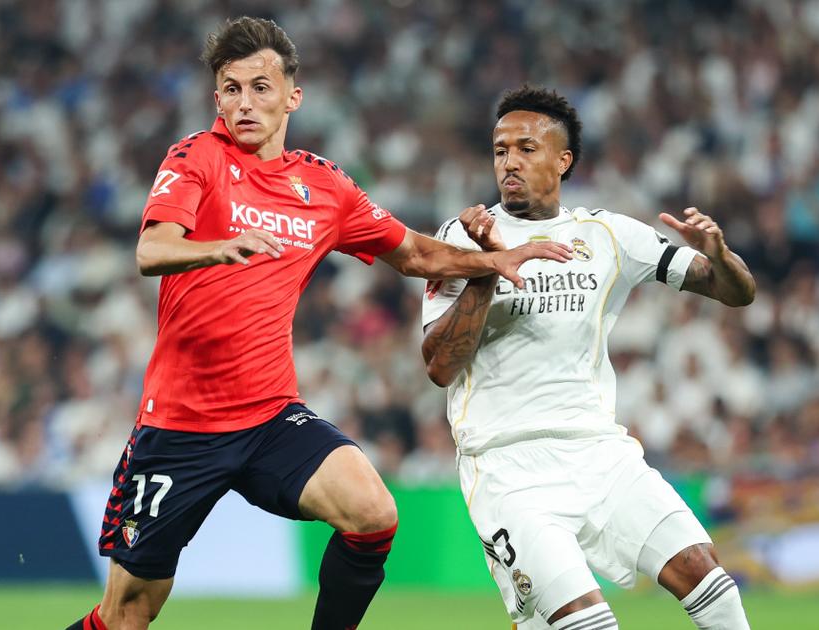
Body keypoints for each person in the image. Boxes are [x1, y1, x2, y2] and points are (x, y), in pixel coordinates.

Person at [66, 19, 572, 630]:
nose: (244, 103)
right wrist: (218, 247)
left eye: (260, 87)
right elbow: (152, 251)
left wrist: (492, 261)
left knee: (373, 513)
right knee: (127, 616)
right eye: (231, 89)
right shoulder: (196, 157)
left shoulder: (324, 186)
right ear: (216, 98)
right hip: (180, 427)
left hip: (269, 417)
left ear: (292, 97)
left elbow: (414, 253)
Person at [421, 86, 756, 630]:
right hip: (507, 466)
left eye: (527, 148)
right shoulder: (462, 238)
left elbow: (735, 292)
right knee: (589, 622)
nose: (509, 162)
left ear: (563, 160)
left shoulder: (607, 235)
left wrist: (719, 254)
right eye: (501, 150)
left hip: (600, 453)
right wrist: (488, 267)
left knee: (710, 580)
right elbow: (439, 367)